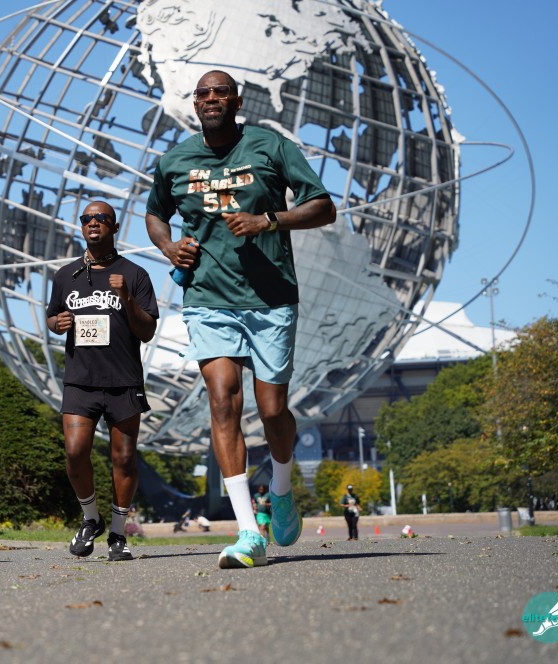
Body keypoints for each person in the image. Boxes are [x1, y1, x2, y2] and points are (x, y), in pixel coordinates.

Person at [145, 70, 337, 568]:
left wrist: (268, 220)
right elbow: (155, 213)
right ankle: (249, 531)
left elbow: (323, 208)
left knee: (272, 411)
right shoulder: (175, 160)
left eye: (220, 92)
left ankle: (282, 489)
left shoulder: (271, 147)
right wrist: (169, 247)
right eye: (203, 93)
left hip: (271, 297)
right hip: (208, 298)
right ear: (195, 103)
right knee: (222, 401)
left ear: (237, 100)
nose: (211, 99)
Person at [47, 200, 159, 562]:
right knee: (75, 451)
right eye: (87, 219)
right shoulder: (65, 275)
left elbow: (147, 331)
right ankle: (91, 518)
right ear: (82, 227)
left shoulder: (135, 274)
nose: (93, 222)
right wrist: (56, 324)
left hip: (124, 380)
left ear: (115, 227)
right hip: (80, 380)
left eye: (101, 218)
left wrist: (126, 298)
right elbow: (52, 316)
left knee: (123, 460)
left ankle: (117, 533)